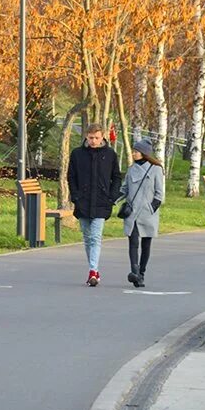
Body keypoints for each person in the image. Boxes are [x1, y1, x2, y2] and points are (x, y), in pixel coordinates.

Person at [66, 122, 121, 287]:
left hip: (101, 201)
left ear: (102, 136)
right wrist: (75, 196)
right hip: (83, 201)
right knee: (87, 237)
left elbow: (116, 177)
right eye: (91, 138)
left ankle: (92, 270)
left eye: (97, 138)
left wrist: (112, 196)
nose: (93, 141)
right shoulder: (77, 154)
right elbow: (71, 176)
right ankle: (94, 269)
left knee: (96, 237)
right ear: (86, 137)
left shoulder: (110, 154)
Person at [121, 139, 165, 288]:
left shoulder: (156, 169)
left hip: (148, 214)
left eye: (136, 151)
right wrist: (111, 200)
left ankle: (141, 274)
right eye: (133, 150)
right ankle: (134, 272)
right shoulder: (131, 168)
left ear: (144, 153)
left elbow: (160, 194)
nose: (133, 153)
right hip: (132, 213)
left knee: (146, 245)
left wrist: (151, 208)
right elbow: (124, 189)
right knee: (133, 243)